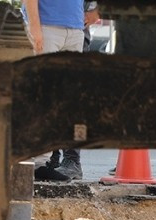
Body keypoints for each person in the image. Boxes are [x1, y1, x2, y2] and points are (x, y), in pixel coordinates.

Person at [26, 0, 90, 181]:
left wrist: (95, 11)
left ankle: (46, 163)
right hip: (47, 27)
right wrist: (34, 27)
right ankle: (38, 163)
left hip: (75, 29)